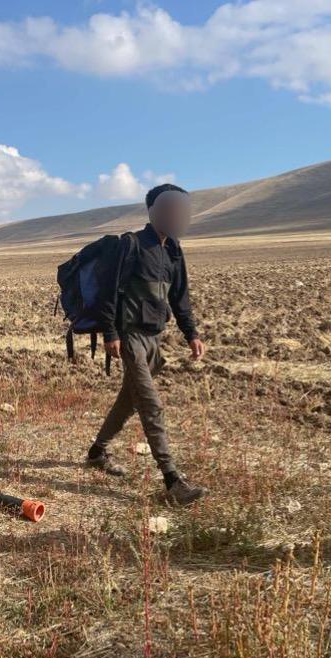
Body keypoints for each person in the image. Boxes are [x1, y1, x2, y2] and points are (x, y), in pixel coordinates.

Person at [85, 184, 209, 506]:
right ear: (152, 210)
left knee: (128, 400)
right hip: (130, 337)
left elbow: (180, 297)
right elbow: (108, 293)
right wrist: (111, 333)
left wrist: (191, 334)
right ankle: (172, 481)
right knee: (150, 405)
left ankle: (97, 451)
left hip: (155, 337)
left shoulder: (173, 251)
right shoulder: (131, 246)